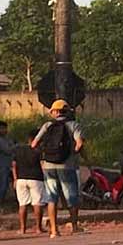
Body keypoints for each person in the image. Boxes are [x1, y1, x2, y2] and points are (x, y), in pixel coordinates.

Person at [32, 100, 84, 234]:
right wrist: (74, 152)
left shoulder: (47, 126)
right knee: (71, 197)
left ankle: (54, 230)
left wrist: (44, 156)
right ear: (67, 112)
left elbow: (34, 144)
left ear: (54, 112)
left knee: (51, 198)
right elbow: (79, 143)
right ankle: (74, 226)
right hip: (67, 166)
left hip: (48, 167)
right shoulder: (73, 125)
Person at [12, 134, 53, 235]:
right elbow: (42, 165)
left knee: (22, 204)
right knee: (37, 203)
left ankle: (22, 229)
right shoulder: (39, 151)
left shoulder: (19, 150)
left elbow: (13, 165)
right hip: (36, 179)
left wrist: (15, 178)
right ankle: (38, 228)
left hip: (21, 179)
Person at [0, 121, 15, 204]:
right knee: (1, 185)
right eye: (2, 128)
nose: (4, 130)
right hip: (0, 166)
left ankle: (2, 202)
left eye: (5, 128)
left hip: (8, 165)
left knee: (6, 185)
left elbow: (12, 147)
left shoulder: (7, 138)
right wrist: (13, 147)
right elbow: (7, 150)